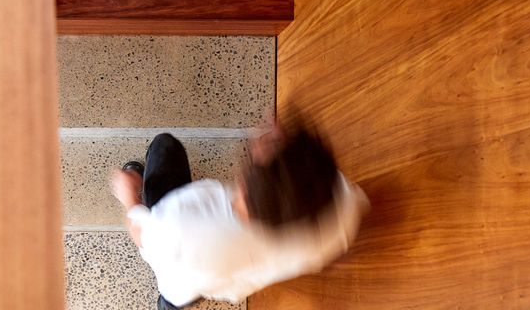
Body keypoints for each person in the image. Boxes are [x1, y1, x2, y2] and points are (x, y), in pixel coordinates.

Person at [109, 120, 368, 308]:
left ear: (243, 188)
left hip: (184, 275)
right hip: (222, 279)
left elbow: (142, 234)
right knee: (182, 298)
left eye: (263, 149)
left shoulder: (179, 224)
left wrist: (129, 197)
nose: (259, 142)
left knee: (164, 146)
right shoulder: (341, 208)